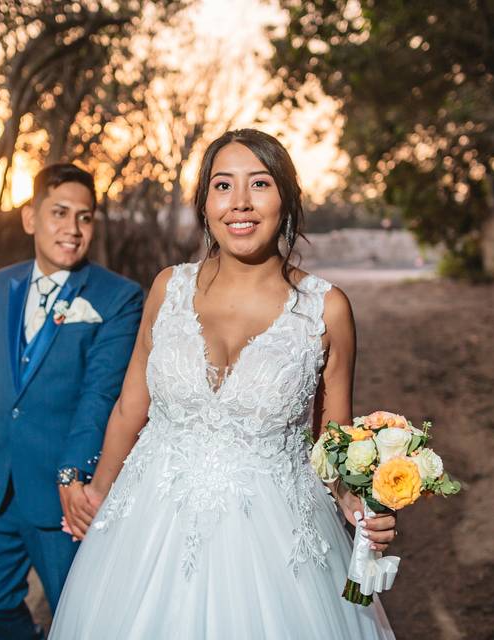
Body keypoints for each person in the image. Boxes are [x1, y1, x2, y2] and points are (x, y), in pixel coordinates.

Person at [49, 130, 397, 638]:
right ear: (205, 203)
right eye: (222, 185)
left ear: (287, 198)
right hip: (148, 527)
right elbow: (130, 406)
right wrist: (99, 490)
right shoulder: (169, 287)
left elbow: (333, 440)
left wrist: (355, 503)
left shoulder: (326, 309)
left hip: (276, 542)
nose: (240, 203)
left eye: (259, 183)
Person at [0, 163, 144, 640]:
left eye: (85, 217)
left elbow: (101, 396)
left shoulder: (119, 298)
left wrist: (73, 473)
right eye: (59, 213)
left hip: (63, 493)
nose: (72, 229)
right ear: (30, 217)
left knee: (79, 618)